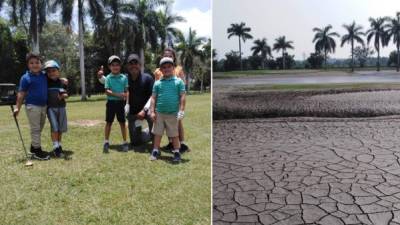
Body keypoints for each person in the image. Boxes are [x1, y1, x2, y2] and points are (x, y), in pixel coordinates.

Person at [98, 54, 154, 146]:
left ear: (140, 65)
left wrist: (144, 110)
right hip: (132, 113)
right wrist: (100, 77)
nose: (133, 66)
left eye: (135, 63)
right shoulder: (124, 78)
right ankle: (145, 132)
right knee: (135, 142)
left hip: (146, 111)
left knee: (152, 116)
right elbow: (111, 79)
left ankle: (154, 137)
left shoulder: (147, 78)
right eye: (130, 64)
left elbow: (153, 96)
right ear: (127, 66)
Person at [13, 53, 50, 160]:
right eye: (32, 63)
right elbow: (21, 94)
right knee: (35, 129)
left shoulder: (44, 75)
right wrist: (17, 108)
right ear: (28, 65)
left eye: (37, 62)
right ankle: (37, 151)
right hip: (32, 106)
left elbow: (54, 77)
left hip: (44, 106)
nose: (35, 65)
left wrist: (61, 80)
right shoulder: (25, 78)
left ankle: (33, 147)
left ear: (41, 64)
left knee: (40, 127)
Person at [150, 57, 186, 163]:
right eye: (164, 67)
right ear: (160, 70)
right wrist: (152, 111)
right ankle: (155, 150)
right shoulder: (157, 83)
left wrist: (182, 110)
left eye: (169, 67)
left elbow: (182, 96)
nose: (166, 69)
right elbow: (153, 98)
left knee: (174, 134)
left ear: (173, 68)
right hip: (159, 113)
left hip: (173, 113)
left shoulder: (178, 82)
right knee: (158, 133)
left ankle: (176, 152)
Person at [153, 48, 189, 152]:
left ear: (174, 58)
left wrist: (180, 104)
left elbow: (182, 85)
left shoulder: (178, 69)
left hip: (175, 100)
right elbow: (156, 88)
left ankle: (181, 143)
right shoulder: (158, 71)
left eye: (170, 56)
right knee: (165, 122)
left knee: (177, 123)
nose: (168, 57)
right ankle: (171, 143)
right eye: (165, 56)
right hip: (163, 101)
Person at [103, 55, 129, 153]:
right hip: (111, 103)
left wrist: (125, 100)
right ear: (109, 67)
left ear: (120, 66)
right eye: (113, 65)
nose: (115, 67)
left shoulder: (124, 78)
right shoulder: (108, 78)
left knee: (122, 123)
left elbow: (126, 92)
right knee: (108, 122)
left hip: (121, 104)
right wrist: (118, 94)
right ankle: (106, 141)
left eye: (117, 65)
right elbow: (107, 91)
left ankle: (125, 142)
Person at [44, 60, 69, 158]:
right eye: (49, 71)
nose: (51, 73)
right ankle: (55, 147)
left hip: (62, 107)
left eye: (53, 70)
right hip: (51, 108)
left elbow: (66, 93)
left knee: (60, 128)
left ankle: (59, 144)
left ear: (58, 71)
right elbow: (39, 73)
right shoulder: (45, 81)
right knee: (54, 127)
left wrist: (64, 96)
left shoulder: (62, 82)